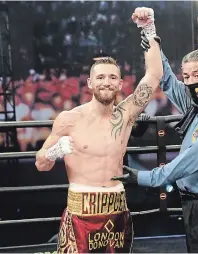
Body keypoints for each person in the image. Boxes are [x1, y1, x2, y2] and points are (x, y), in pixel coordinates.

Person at [112, 8, 198, 253]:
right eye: (186, 76)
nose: (190, 82)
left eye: (197, 75)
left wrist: (143, 178)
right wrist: (151, 35)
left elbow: (190, 160)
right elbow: (166, 80)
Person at [34, 7, 163, 253]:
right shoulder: (69, 119)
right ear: (90, 83)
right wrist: (52, 153)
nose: (107, 82)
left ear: (120, 84)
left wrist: (149, 29)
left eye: (112, 77)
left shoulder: (126, 115)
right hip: (80, 212)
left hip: (116, 210)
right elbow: (41, 164)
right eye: (101, 77)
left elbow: (154, 74)